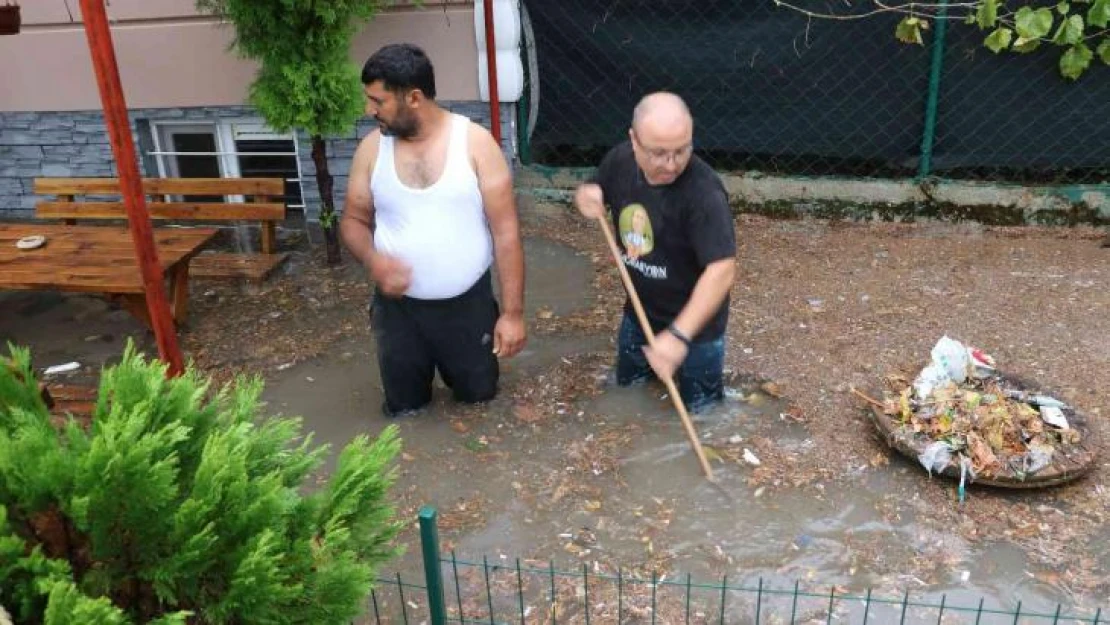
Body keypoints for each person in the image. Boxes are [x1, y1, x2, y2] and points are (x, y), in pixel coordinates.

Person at [340, 43, 526, 416]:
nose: (369, 110)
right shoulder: (371, 150)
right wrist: (374, 262)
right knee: (404, 410)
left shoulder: (475, 144)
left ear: (413, 97)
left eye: (378, 101)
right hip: (398, 313)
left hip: (467, 307)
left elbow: (506, 234)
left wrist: (512, 314)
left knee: (479, 402)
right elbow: (353, 221)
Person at [574, 92, 736, 411]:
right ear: (634, 140)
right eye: (659, 153)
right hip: (639, 313)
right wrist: (586, 194)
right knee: (628, 396)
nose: (671, 164)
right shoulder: (620, 161)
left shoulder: (704, 194)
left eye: (681, 150)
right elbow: (595, 188)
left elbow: (722, 270)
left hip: (697, 329)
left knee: (702, 413)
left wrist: (677, 336)